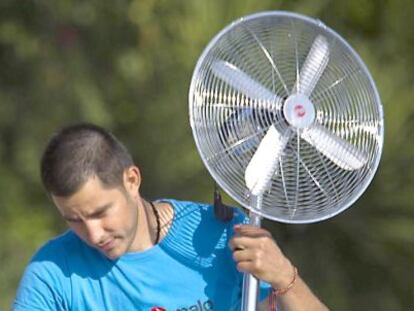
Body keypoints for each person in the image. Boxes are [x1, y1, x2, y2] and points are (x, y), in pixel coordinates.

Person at [13, 123, 329, 311]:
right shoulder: (51, 273)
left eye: (100, 213)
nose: (94, 234)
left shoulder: (224, 236)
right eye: (74, 220)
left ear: (132, 180)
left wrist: (285, 277)